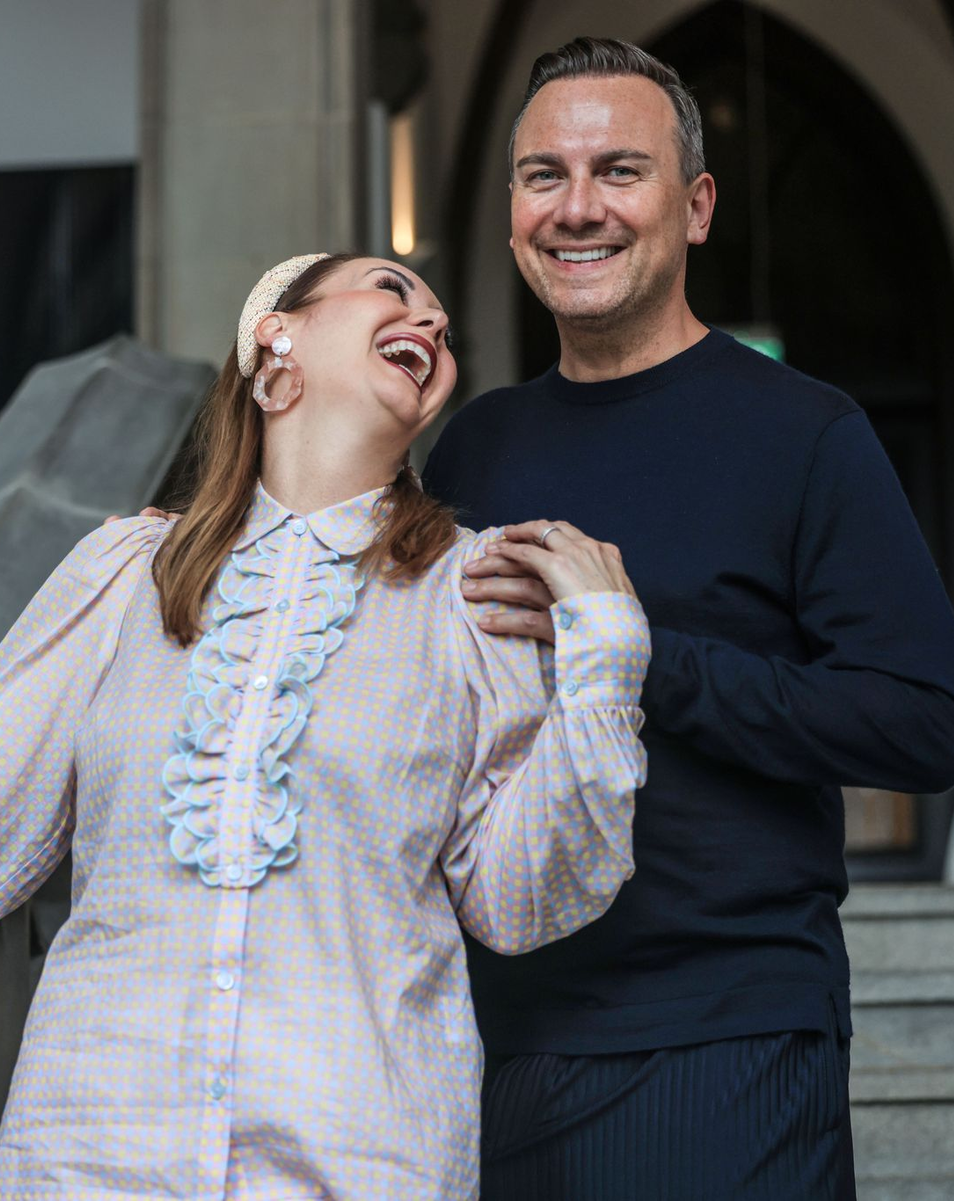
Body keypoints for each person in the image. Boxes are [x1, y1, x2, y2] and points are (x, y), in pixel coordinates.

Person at [0, 252, 651, 1199]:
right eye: (394, 290)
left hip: (357, 1153)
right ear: (278, 336)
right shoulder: (126, 574)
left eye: (442, 322)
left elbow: (522, 898)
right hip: (95, 1149)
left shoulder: (467, 596)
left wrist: (604, 661)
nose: (430, 324)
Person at [423, 37, 954, 1200]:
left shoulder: (806, 433)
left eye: (619, 170)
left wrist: (639, 653)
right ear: (513, 209)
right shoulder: (474, 446)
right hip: (494, 1030)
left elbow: (923, 719)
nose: (577, 208)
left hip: (728, 1027)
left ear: (697, 205)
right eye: (541, 176)